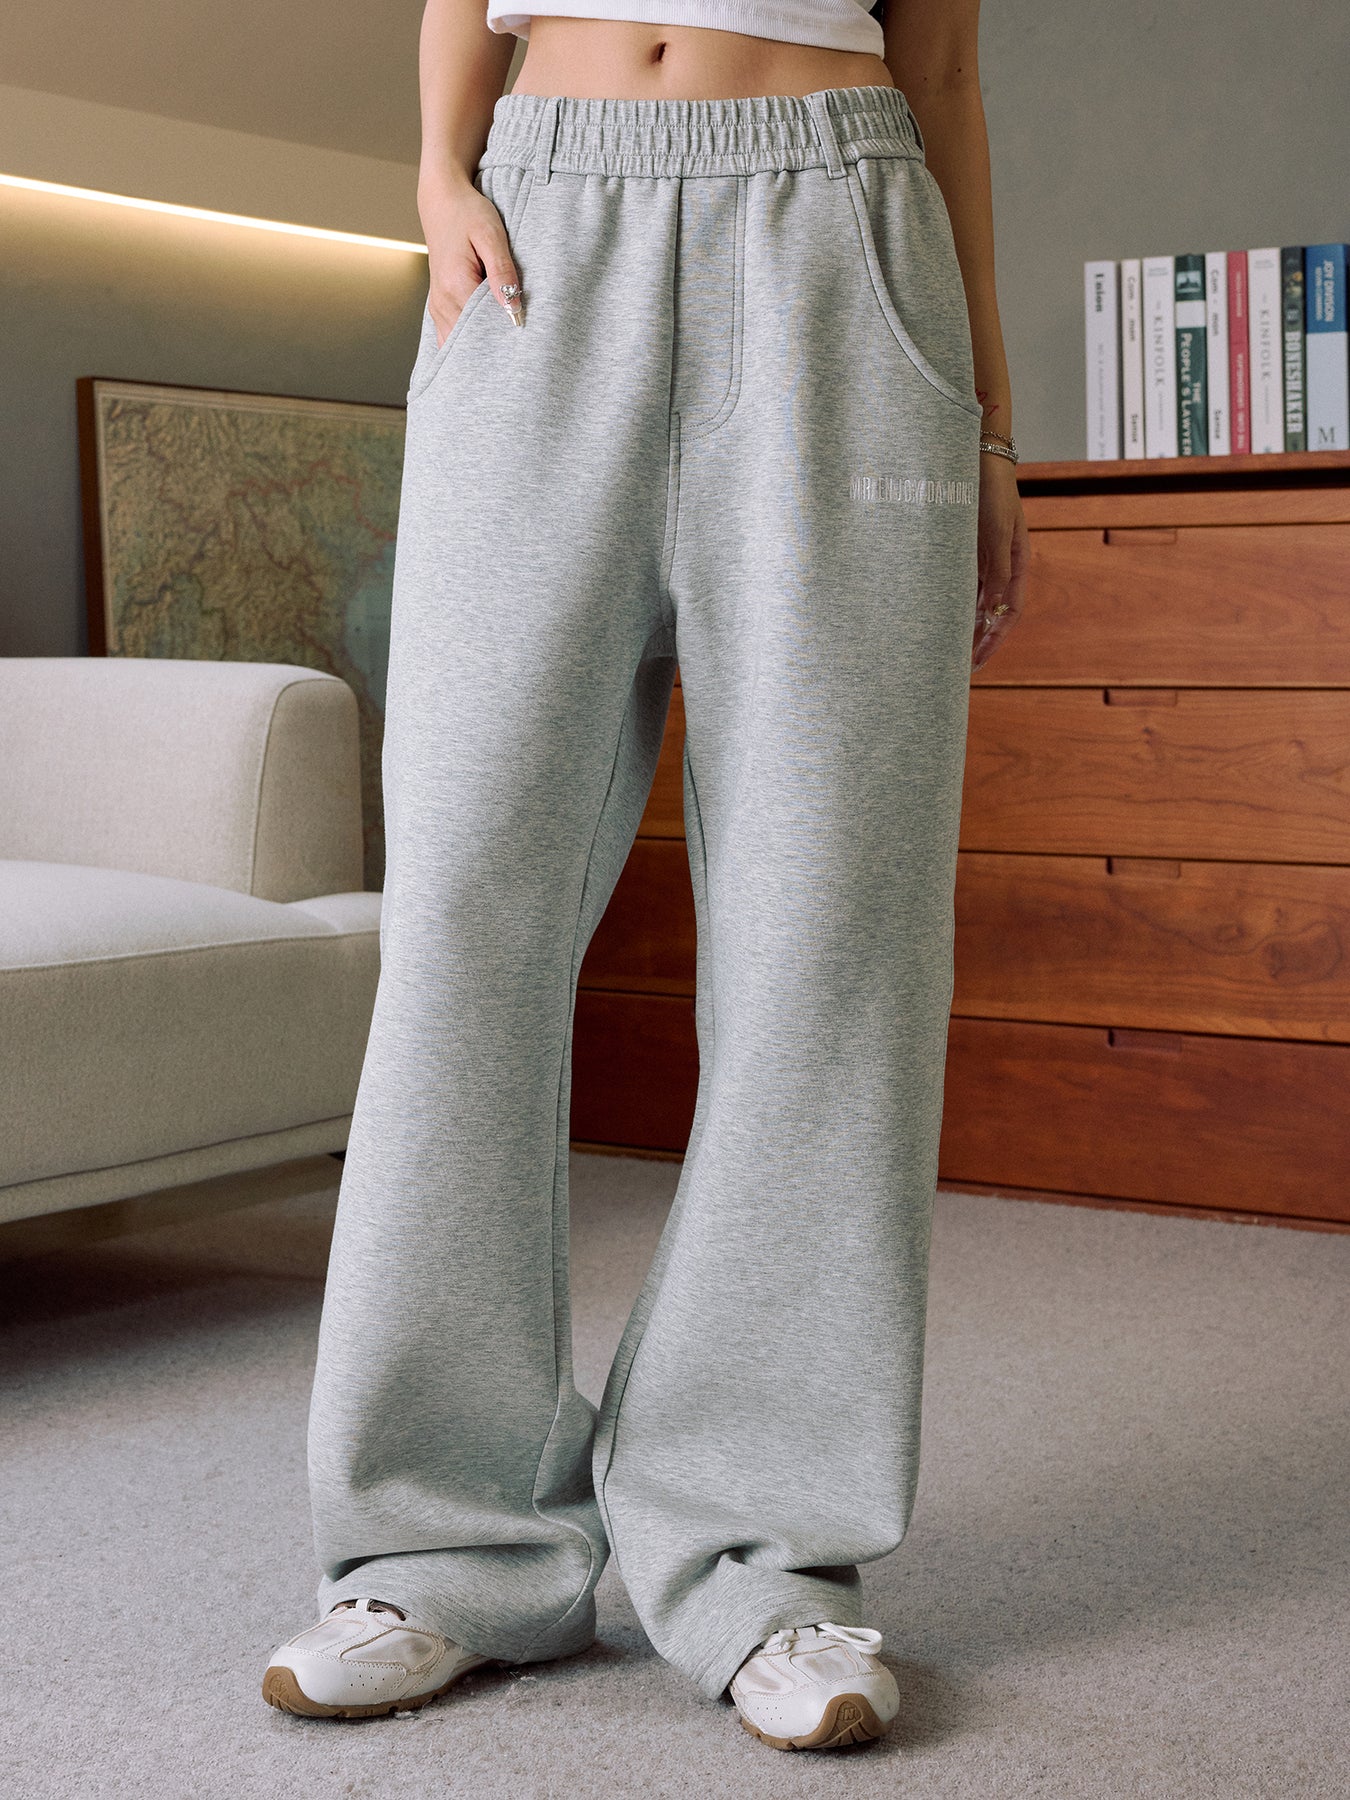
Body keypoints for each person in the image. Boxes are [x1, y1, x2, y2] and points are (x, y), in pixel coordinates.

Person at [263, 0, 1027, 1754]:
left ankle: (760, 1551)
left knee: (830, 935)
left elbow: (944, 66)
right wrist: (437, 168)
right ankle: (440, 1543)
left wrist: (986, 421)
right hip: (538, 232)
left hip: (840, 236)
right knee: (461, 917)